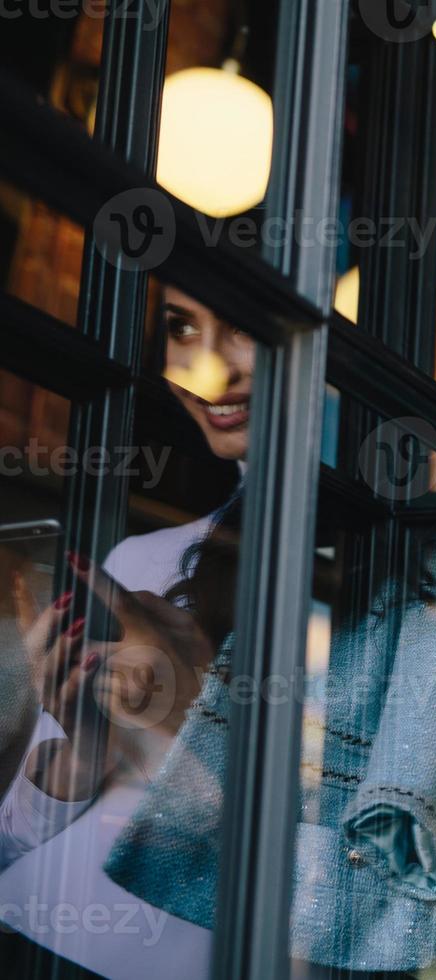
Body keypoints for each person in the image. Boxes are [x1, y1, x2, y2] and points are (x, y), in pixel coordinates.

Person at [0, 284, 247, 978]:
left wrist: (177, 723)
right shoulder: (142, 561)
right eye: (181, 328)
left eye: (241, 328)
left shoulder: (373, 578)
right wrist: (78, 755)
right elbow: (11, 847)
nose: (209, 369)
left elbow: (340, 884)